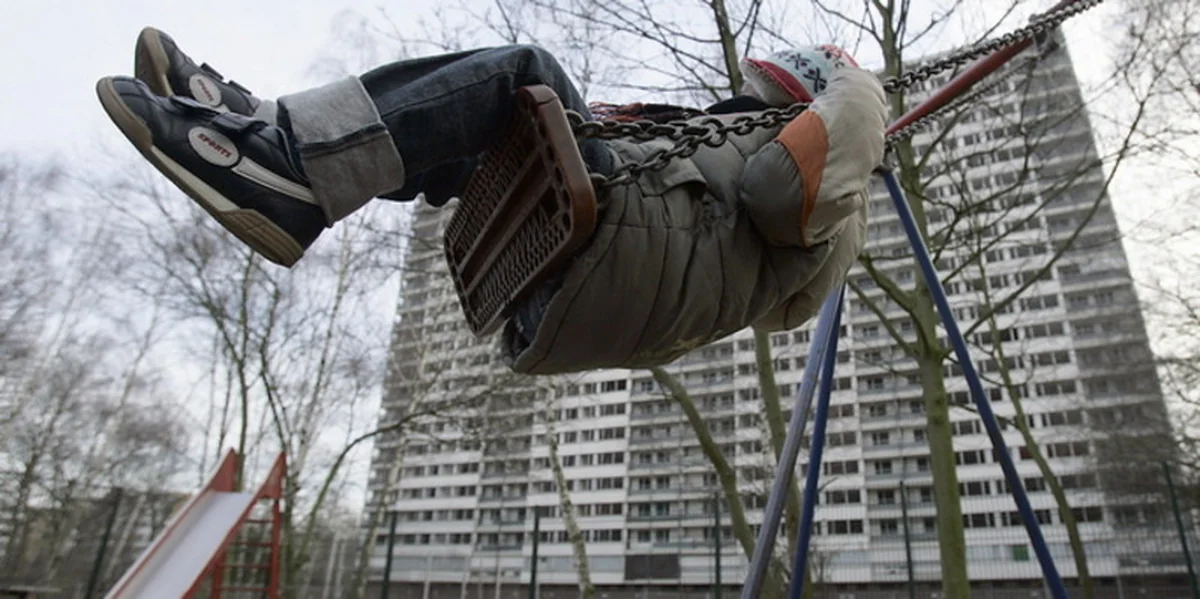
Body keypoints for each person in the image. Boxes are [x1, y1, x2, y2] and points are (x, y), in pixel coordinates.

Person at [97, 28, 887, 375]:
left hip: (610, 254)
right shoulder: (749, 159)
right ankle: (268, 128)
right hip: (574, 287)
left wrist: (861, 90)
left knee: (522, 75)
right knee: (470, 133)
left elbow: (777, 192)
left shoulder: (835, 191)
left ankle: (287, 168)